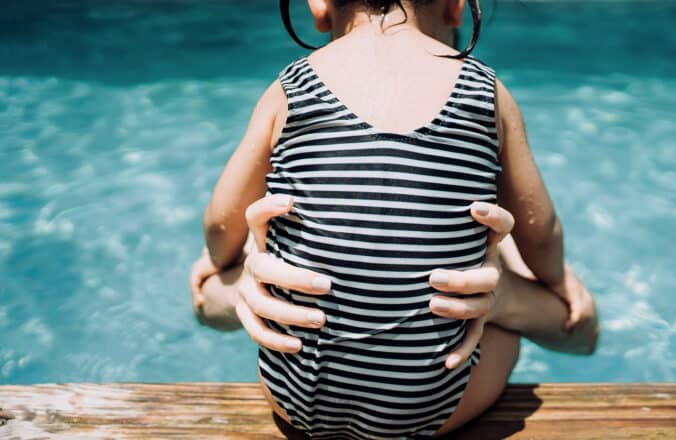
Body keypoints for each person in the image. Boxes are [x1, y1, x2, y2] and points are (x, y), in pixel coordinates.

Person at [192, 0, 600, 437]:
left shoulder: (290, 86)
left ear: (318, 6)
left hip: (294, 399)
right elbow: (541, 229)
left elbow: (221, 221)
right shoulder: (486, 90)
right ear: (456, 7)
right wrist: (555, 279)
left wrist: (220, 261)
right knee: (500, 326)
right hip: (432, 405)